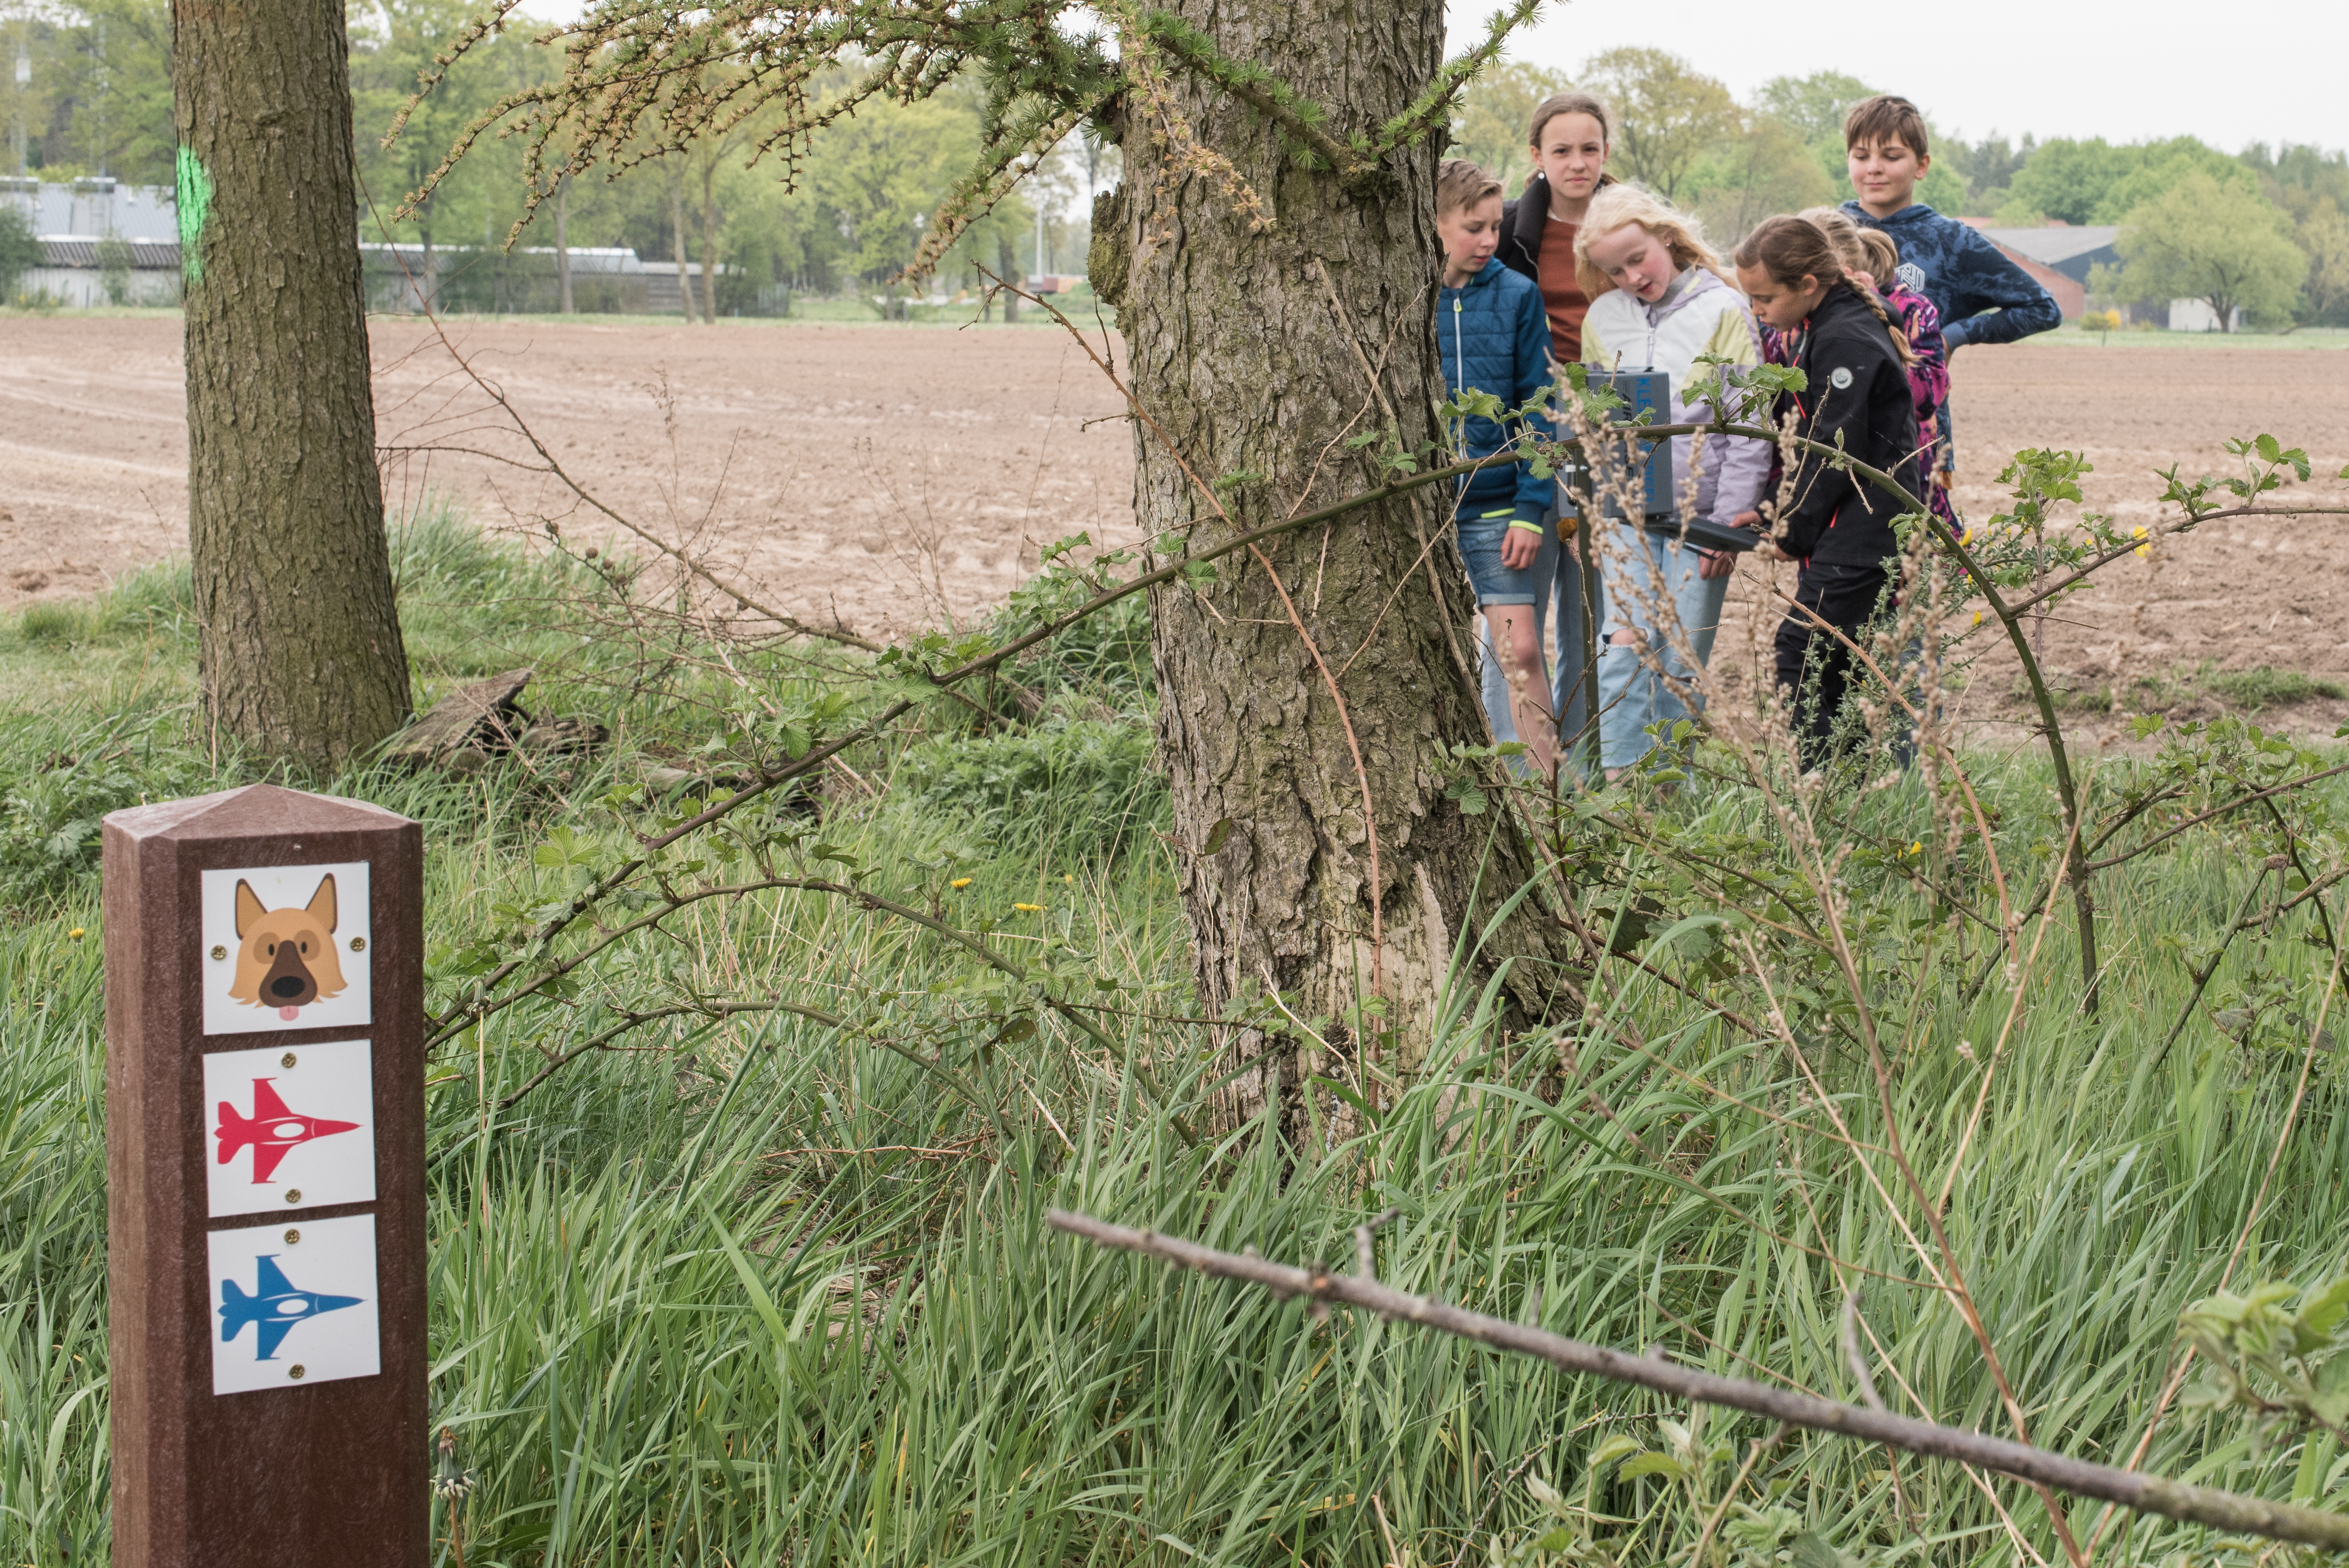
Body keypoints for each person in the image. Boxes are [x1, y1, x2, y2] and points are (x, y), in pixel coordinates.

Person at [1572, 184, 1769, 779]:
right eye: (1615, 270)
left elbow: (1749, 424)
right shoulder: (1604, 317)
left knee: (1679, 659)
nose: (1632, 276)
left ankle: (1668, 789)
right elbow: (1597, 419)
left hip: (1700, 521)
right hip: (1630, 513)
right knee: (1625, 647)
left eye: (1638, 259)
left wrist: (1727, 523)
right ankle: (1622, 784)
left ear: (1666, 237)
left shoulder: (1723, 309)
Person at [1730, 215, 1925, 770]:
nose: (1758, 311)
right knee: (1839, 663)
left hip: (1865, 532)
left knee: (1803, 654)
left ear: (1809, 285)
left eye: (1765, 298)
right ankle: (1850, 789)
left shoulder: (1841, 336)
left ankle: (1820, 791)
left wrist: (1790, 530)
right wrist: (1773, 510)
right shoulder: (1837, 324)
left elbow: (1833, 449)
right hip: (1861, 527)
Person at [1837, 94, 2057, 500]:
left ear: (1921, 165)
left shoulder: (1951, 240)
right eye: (1860, 155)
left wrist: (1951, 337)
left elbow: (2042, 307)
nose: (1873, 168)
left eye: (1890, 156)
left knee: (1918, 557)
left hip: (1916, 435)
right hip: (1832, 428)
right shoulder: (1824, 233)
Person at [1495, 91, 1619, 764]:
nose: (1577, 163)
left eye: (1589, 149)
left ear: (1605, 154)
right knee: (1518, 601)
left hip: (1611, 420)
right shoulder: (1512, 228)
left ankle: (1590, 760)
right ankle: (1515, 765)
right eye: (1561, 150)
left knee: (1593, 606)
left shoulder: (1634, 225)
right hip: (1531, 425)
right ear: (1536, 156)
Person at [1435, 158, 1562, 775]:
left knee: (1521, 652)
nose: (1489, 240)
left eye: (1494, 226)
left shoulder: (1518, 295)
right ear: (1432, 224)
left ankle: (1545, 800)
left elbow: (1541, 406)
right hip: (1421, 510)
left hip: (1497, 508)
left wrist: (1531, 510)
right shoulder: (1404, 298)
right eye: (1472, 228)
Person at [1797, 207, 1957, 537]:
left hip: (1898, 475)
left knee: (1909, 574)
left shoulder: (1911, 308)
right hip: (1826, 479)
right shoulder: (1794, 315)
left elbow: (1926, 396)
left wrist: (1869, 323)